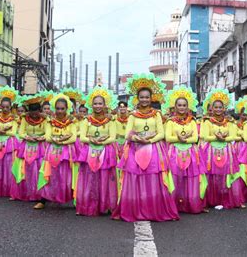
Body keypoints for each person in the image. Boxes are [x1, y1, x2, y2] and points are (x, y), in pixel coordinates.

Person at [112, 73, 179, 222]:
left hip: (154, 148)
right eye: (141, 97)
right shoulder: (132, 115)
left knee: (153, 178)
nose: (144, 100)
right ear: (137, 98)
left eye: (147, 97)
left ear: (151, 98)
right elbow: (128, 134)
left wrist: (149, 140)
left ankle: (153, 208)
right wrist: (138, 138)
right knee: (135, 178)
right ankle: (134, 208)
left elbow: (161, 134)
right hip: (135, 148)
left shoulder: (156, 114)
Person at [165, 86, 207, 213]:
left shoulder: (192, 121)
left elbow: (195, 138)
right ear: (175, 106)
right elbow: (168, 137)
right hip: (174, 152)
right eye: (179, 105)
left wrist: (183, 139)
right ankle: (174, 205)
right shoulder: (171, 122)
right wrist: (180, 139)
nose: (182, 107)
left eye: (184, 105)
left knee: (191, 178)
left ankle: (191, 204)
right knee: (175, 177)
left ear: (188, 107)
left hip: (191, 152)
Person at [77, 87, 118, 216]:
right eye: (95, 103)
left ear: (105, 105)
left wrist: (101, 141)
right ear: (91, 105)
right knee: (89, 178)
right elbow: (82, 137)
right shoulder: (86, 120)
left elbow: (113, 137)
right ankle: (87, 205)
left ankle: (107, 205)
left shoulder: (110, 121)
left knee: (105, 178)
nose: (98, 106)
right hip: (89, 151)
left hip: (106, 152)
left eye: (100, 103)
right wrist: (93, 140)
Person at [201, 89, 245, 210]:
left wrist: (223, 139)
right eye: (216, 107)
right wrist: (217, 137)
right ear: (212, 108)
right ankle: (211, 199)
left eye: (221, 107)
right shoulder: (207, 121)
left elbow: (232, 136)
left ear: (224, 108)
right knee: (212, 176)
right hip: (211, 151)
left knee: (227, 175)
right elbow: (204, 136)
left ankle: (227, 198)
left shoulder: (229, 122)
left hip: (227, 150)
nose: (218, 109)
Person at [36, 93, 77, 209]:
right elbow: (47, 137)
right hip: (52, 151)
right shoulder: (50, 122)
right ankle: (43, 200)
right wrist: (63, 138)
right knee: (49, 174)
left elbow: (73, 138)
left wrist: (60, 141)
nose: (60, 111)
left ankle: (74, 200)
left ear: (66, 109)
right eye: (57, 108)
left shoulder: (71, 122)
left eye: (62, 108)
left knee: (67, 176)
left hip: (67, 152)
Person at [11, 94, 48, 201]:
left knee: (38, 168)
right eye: (32, 112)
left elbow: (47, 133)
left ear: (39, 111)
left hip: (40, 146)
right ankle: (25, 192)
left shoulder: (45, 119)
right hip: (26, 145)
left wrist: (41, 138)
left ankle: (39, 194)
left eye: (36, 112)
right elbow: (21, 132)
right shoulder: (24, 119)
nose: (34, 115)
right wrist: (27, 137)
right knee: (24, 168)